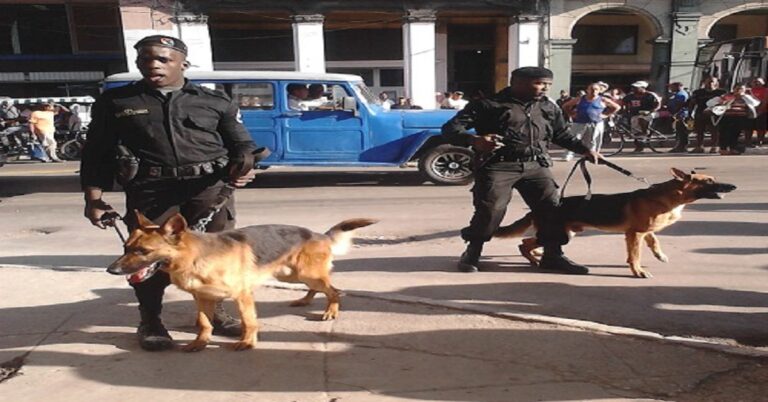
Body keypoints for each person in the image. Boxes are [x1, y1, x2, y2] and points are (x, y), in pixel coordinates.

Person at [80, 35, 260, 351]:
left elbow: (242, 145)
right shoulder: (116, 103)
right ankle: (151, 321)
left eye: (163, 59)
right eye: (145, 60)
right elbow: (96, 154)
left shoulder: (214, 101)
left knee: (211, 257)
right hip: (151, 192)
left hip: (208, 191)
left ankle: (214, 314)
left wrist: (244, 166)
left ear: (182, 63)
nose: (153, 65)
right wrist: (93, 199)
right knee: (147, 258)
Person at [442, 66, 602, 274]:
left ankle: (552, 255)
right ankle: (473, 251)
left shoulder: (548, 106)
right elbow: (450, 129)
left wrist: (585, 150)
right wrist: (474, 140)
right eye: (539, 83)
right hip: (499, 165)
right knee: (490, 210)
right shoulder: (488, 104)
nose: (544, 88)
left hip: (536, 166)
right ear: (516, 82)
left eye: (547, 85)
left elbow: (561, 134)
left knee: (551, 209)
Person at [561, 82, 620, 160]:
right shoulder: (580, 99)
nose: (593, 91)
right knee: (573, 139)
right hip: (579, 122)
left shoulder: (603, 99)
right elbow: (565, 106)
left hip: (596, 123)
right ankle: (568, 154)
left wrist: (605, 115)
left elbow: (616, 107)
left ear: (599, 91)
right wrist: (571, 114)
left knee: (593, 140)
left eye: (596, 89)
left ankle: (592, 155)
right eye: (591, 89)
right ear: (587, 90)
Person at [706, 83, 760, 155]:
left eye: (741, 89)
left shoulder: (746, 97)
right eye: (737, 89)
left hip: (740, 117)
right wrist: (722, 102)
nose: (739, 90)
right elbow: (709, 103)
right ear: (734, 89)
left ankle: (733, 148)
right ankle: (723, 148)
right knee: (724, 133)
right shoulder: (727, 96)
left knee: (735, 133)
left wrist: (744, 96)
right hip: (727, 117)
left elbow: (755, 103)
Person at [687, 76, 725, 153]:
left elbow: (725, 103)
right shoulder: (698, 92)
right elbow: (692, 103)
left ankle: (714, 146)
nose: (710, 83)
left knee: (714, 131)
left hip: (715, 115)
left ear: (716, 83)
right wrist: (690, 114)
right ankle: (699, 146)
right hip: (700, 113)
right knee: (699, 131)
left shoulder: (721, 92)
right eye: (708, 82)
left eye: (712, 82)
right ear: (704, 83)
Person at [622, 81, 661, 152]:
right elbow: (624, 103)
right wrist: (624, 111)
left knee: (641, 119)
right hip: (635, 114)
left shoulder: (650, 95)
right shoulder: (630, 96)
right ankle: (639, 146)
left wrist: (651, 111)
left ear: (643, 88)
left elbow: (658, 104)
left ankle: (645, 132)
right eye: (633, 88)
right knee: (635, 129)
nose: (634, 89)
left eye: (636, 88)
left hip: (650, 113)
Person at [664, 82, 691, 153]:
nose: (670, 88)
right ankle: (680, 145)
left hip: (682, 115)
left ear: (678, 86)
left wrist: (675, 113)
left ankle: (682, 146)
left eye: (672, 87)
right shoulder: (676, 94)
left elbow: (680, 105)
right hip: (679, 114)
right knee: (679, 131)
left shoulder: (681, 94)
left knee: (682, 131)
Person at [745, 78, 767, 148]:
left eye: (759, 82)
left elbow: (765, 101)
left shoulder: (765, 90)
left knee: (760, 128)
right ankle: (747, 142)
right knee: (748, 127)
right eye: (755, 82)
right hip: (750, 112)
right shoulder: (748, 91)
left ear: (763, 83)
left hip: (762, 112)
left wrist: (759, 110)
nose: (757, 83)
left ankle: (759, 141)